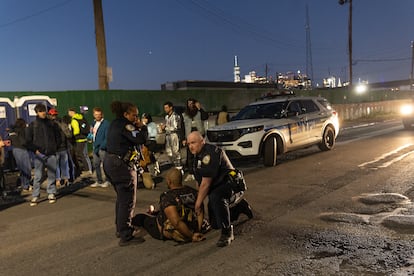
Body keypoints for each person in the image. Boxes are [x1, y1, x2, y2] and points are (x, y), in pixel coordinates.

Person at [187, 131, 253, 247]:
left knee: (216, 197)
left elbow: (206, 184)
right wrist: (199, 197)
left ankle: (227, 233)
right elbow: (199, 181)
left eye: (193, 143)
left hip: (230, 185)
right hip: (217, 186)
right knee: (215, 223)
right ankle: (239, 207)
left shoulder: (210, 154)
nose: (190, 146)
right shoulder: (197, 155)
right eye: (188, 144)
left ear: (202, 141)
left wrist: (198, 203)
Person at [103, 101, 148, 247]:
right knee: (128, 199)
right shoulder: (125, 125)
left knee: (121, 198)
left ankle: (120, 228)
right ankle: (125, 234)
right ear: (126, 114)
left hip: (110, 162)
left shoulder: (115, 123)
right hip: (120, 165)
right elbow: (140, 139)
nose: (136, 118)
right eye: (134, 115)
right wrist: (143, 127)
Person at [131, 167, 205, 243]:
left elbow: (176, 222)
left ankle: (127, 228)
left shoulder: (169, 197)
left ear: (169, 181)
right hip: (191, 225)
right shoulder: (193, 192)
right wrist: (198, 230)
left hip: (176, 231)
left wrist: (191, 236)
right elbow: (200, 210)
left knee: (141, 218)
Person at [25, 103, 61, 206]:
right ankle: (35, 195)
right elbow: (28, 141)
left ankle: (51, 193)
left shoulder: (52, 124)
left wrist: (55, 147)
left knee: (52, 174)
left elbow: (58, 136)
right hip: (39, 154)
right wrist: (35, 150)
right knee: (38, 175)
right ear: (36, 112)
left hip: (51, 153)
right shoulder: (33, 125)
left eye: (44, 110)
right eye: (40, 111)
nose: (43, 113)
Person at [182, 98, 207, 181]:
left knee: (201, 153)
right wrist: (183, 138)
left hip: (199, 134)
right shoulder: (184, 114)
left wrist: (200, 108)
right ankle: (191, 172)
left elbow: (205, 117)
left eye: (192, 103)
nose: (190, 105)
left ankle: (202, 170)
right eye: (189, 104)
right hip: (189, 135)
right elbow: (182, 127)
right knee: (190, 155)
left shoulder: (199, 112)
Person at [48, 108, 71, 188]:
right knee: (64, 164)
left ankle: (58, 180)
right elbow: (68, 134)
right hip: (63, 147)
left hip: (57, 148)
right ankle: (66, 179)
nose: (53, 116)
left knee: (57, 165)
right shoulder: (62, 123)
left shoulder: (50, 125)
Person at [8, 118, 32, 192]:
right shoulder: (22, 130)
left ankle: (24, 184)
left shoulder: (12, 130)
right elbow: (24, 141)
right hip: (22, 149)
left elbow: (10, 140)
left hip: (15, 149)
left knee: (22, 168)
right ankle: (26, 185)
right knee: (27, 168)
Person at [68, 107, 92, 175]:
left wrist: (72, 135)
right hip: (84, 137)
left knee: (80, 154)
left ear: (71, 112)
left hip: (78, 139)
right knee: (85, 155)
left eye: (69, 112)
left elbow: (76, 130)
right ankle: (89, 169)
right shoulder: (81, 117)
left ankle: (86, 169)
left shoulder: (74, 120)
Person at [90, 107, 110, 188]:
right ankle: (99, 180)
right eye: (96, 114)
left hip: (102, 148)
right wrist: (90, 138)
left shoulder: (106, 124)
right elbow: (92, 133)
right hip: (95, 147)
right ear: (93, 115)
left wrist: (102, 146)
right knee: (96, 164)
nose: (97, 116)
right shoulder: (93, 123)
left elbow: (107, 137)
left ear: (102, 115)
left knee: (105, 165)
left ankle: (108, 180)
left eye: (99, 114)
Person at [162, 101, 184, 170]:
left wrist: (165, 128)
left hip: (174, 136)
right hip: (168, 136)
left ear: (171, 108)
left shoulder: (176, 116)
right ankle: (175, 165)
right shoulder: (166, 117)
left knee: (176, 151)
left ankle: (179, 168)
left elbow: (176, 127)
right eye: (164, 108)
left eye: (166, 108)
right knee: (169, 152)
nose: (165, 109)